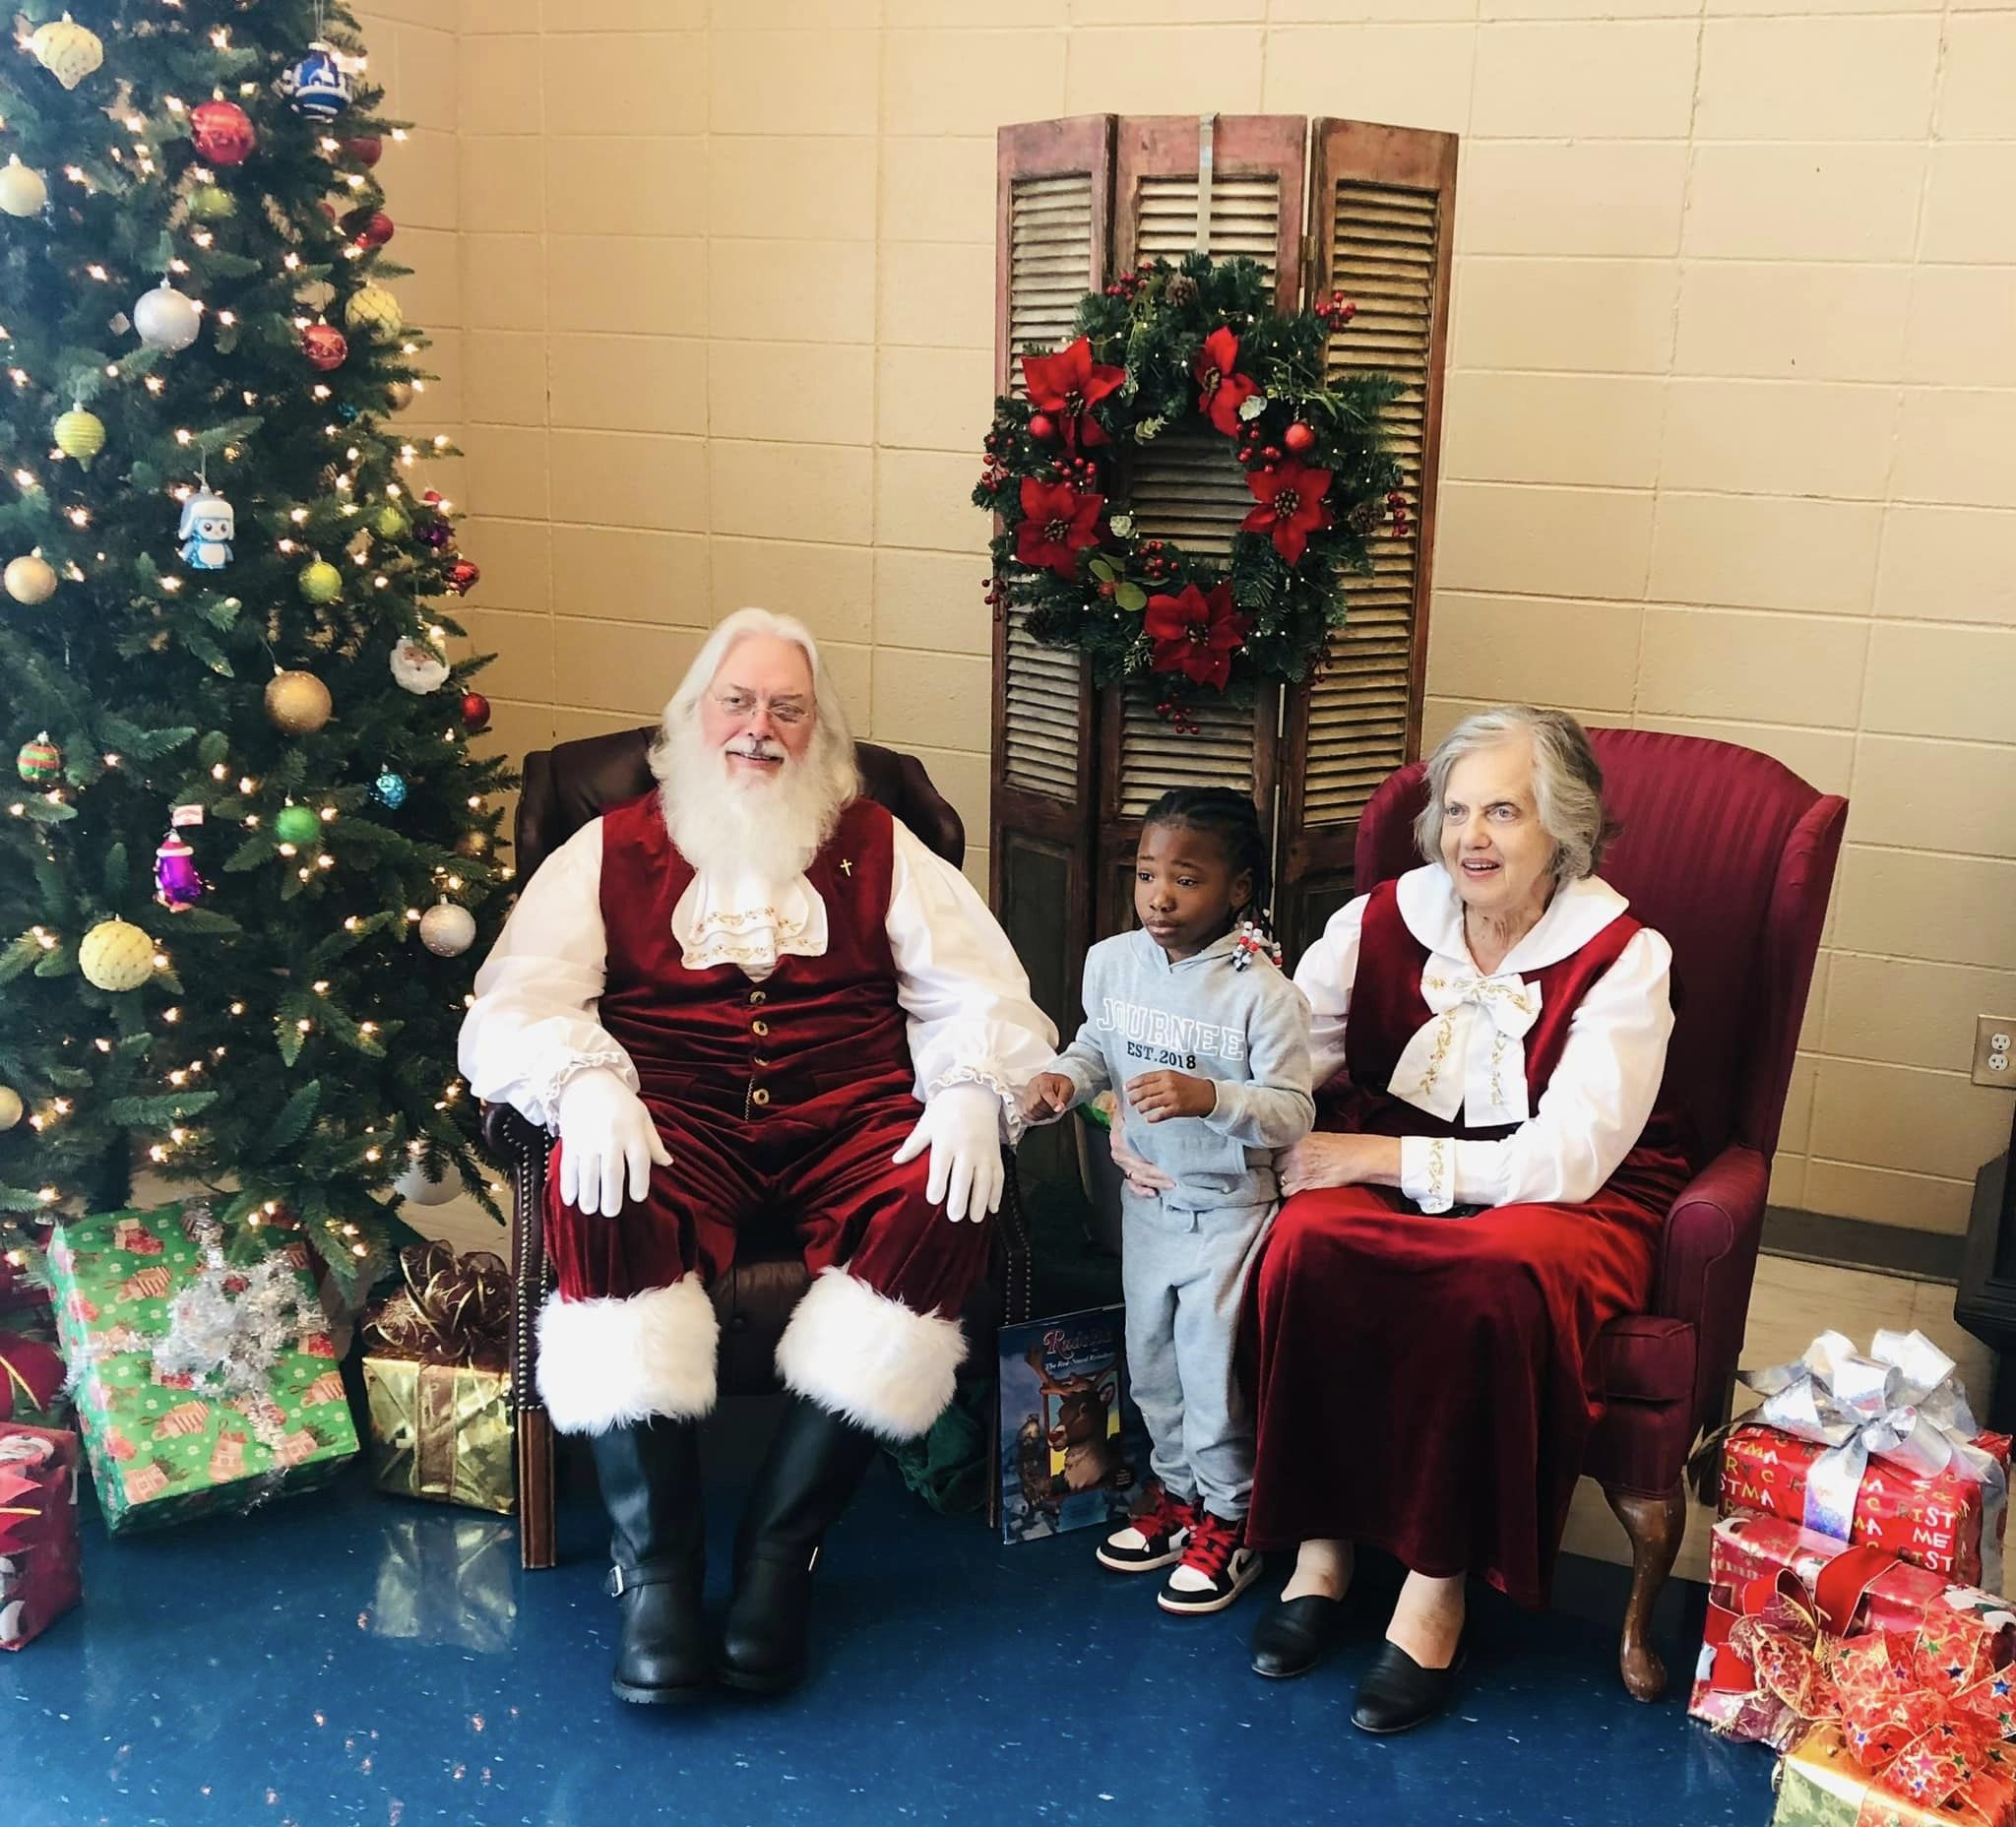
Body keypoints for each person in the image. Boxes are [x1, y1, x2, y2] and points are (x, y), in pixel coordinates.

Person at [459, 607, 1056, 1704]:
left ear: (817, 730)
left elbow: (976, 989)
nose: (758, 728)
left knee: (947, 1194)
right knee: (596, 1190)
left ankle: (785, 1550)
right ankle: (662, 1570)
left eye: (787, 707)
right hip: (673, 1117)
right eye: (736, 701)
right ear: (693, 716)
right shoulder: (609, 845)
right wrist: (585, 1081)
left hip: (850, 1115)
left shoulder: (878, 841)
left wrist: (973, 1085)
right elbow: (515, 1002)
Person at [1204, 706, 1691, 1733]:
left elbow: (1568, 1156)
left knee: (1488, 1276)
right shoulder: (1386, 915)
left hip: (1558, 1195)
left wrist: (1378, 1158)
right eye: (1457, 810)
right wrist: (1183, 1101)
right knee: (1311, 1239)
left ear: (1561, 827)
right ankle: (1321, 1544)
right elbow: (1287, 1049)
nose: (1471, 836)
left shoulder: (1623, 953)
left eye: (1503, 811)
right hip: (1386, 1151)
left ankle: (1436, 1581)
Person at [1021, 788, 1313, 1615]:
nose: (1159, 896)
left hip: (1228, 1214)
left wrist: (1209, 1096)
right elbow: (1093, 1048)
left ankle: (1234, 1519)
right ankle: (1178, 1500)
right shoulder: (1113, 962)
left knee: (1211, 1372)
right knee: (1150, 1364)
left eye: (1185, 879)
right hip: (1145, 1208)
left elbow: (1293, 1109)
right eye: (1147, 874)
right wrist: (1063, 1080)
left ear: (1238, 890)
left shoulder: (1263, 994)